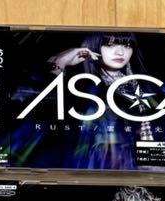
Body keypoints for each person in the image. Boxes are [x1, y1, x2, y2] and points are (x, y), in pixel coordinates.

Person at [45, 32, 154, 170]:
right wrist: (61, 61)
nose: (121, 52)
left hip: (136, 163)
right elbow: (46, 98)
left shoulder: (142, 84)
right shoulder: (81, 85)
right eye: (109, 44)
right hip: (96, 162)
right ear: (93, 46)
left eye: (127, 45)